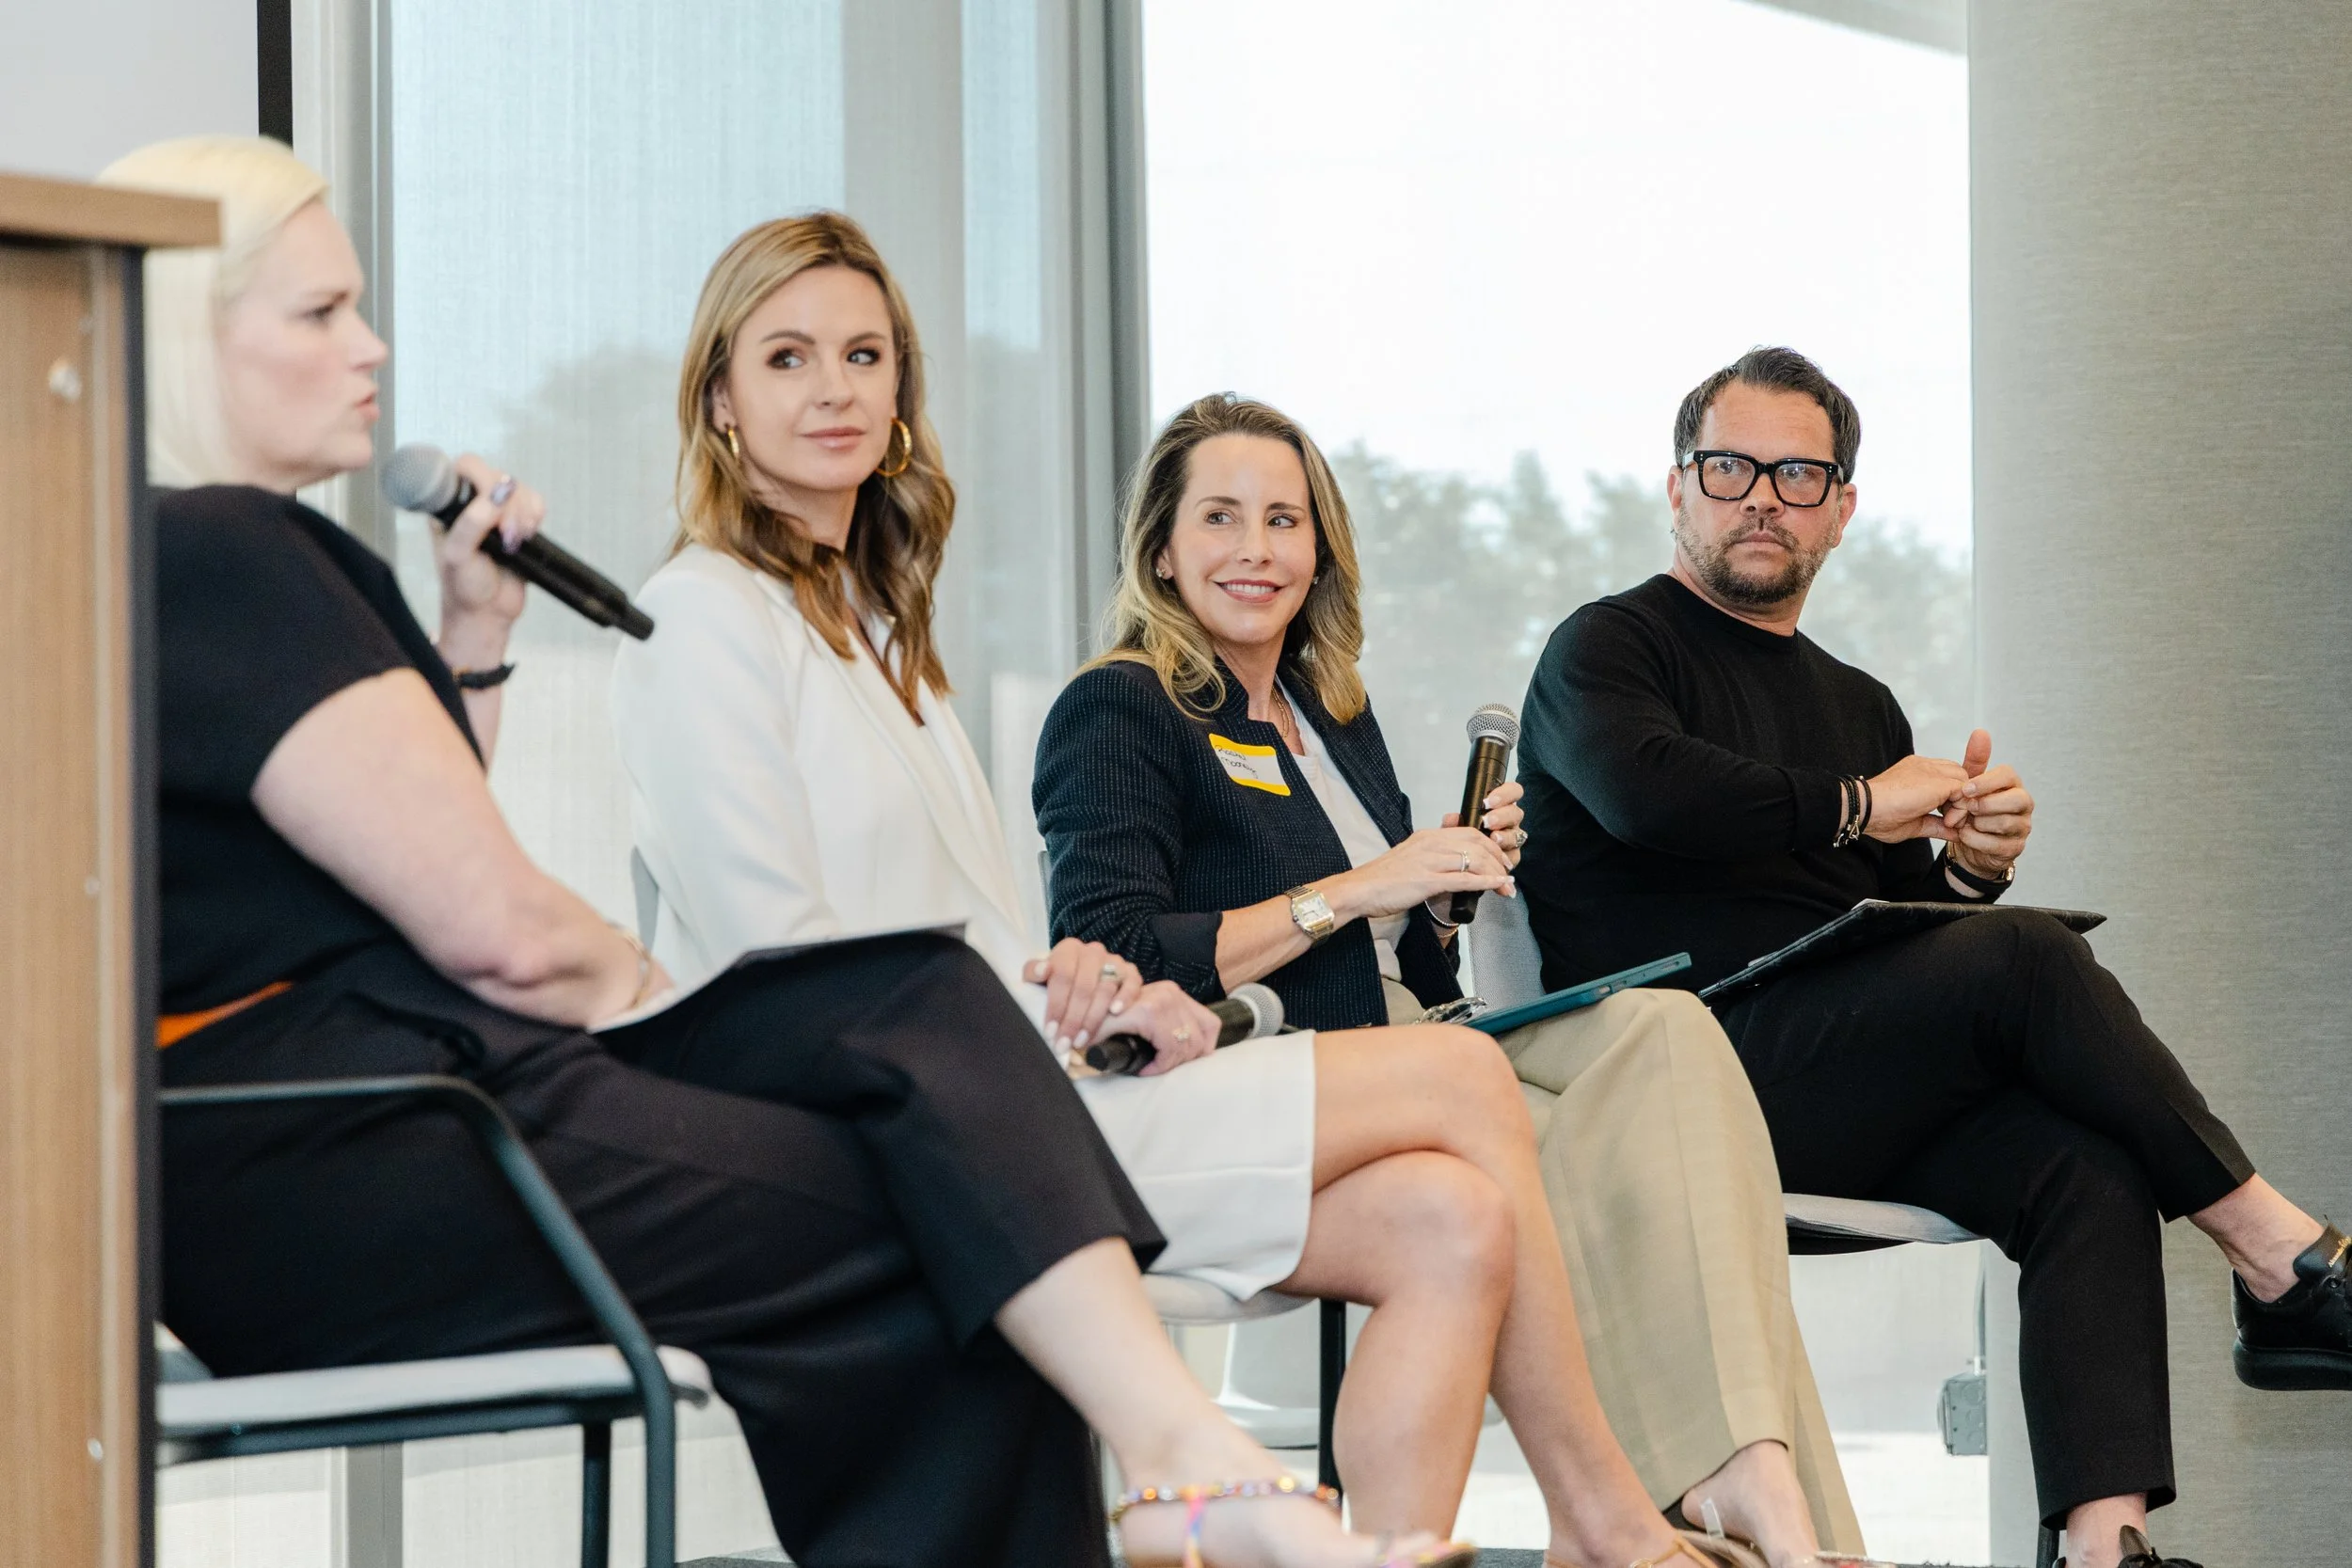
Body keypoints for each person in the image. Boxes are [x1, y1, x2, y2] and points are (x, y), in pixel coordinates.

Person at [103, 134, 1473, 1568]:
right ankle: (1187, 1464)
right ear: (188, 328)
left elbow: (380, 860)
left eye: (868, 355)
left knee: (941, 1095)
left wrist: (475, 638)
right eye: (320, 314)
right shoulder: (229, 553)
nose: (372, 344)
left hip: (358, 1135)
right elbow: (493, 926)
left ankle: (1185, 1468)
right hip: (356, 1152)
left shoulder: (231, 560)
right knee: (945, 1191)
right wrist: (653, 1000)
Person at [610, 214, 1778, 1568]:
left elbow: (994, 939)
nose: (834, 390)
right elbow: (790, 972)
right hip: (905, 1134)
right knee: (1464, 1087)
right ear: (720, 399)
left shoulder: (889, 644)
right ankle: (1610, 1524)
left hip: (1023, 1079)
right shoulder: (702, 616)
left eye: (864, 354)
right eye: (789, 357)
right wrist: (1129, 977)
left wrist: (1103, 990)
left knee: (1452, 1215)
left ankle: (1390, 1552)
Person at [1513, 343, 2352, 1568]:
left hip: (1832, 1079)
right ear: (1679, 486)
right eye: (1732, 465)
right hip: (1682, 1074)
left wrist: (1968, 869)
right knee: (2022, 959)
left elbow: (1887, 917)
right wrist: (1865, 804)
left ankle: (2101, 1544)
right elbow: (1655, 799)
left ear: (1843, 510)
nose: (1762, 495)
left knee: (2083, 1155)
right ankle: (2279, 1251)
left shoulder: (1857, 701)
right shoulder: (1607, 651)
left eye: (1800, 474)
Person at [1034, 393, 1887, 1568]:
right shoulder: (1125, 704)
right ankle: (1611, 1518)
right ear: (1163, 548)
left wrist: (1435, 892)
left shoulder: (1330, 715)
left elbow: (1400, 951)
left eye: (1284, 520)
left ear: (1319, 548)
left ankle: (1767, 1493)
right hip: (1255, 1064)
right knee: (1528, 1137)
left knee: (1665, 1040)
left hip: (1410, 1037)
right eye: (1220, 518)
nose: (1254, 549)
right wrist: (1365, 885)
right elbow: (1114, 946)